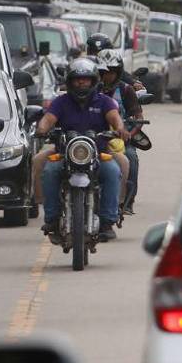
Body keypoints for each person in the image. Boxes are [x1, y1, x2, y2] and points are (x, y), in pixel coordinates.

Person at [36, 57, 127, 243]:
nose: (81, 82)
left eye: (86, 79)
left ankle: (108, 221)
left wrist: (120, 129)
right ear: (70, 81)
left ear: (94, 81)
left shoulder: (104, 102)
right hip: (64, 153)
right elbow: (48, 119)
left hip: (98, 154)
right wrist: (41, 130)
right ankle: (52, 219)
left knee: (113, 170)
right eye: (77, 79)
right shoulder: (60, 102)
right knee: (49, 170)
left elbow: (115, 117)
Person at [98, 49, 142, 214]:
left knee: (130, 157)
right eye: (104, 72)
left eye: (112, 72)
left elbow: (138, 116)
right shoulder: (90, 90)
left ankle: (126, 201)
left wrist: (129, 133)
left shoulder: (126, 90)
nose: (108, 76)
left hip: (119, 139)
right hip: (93, 138)